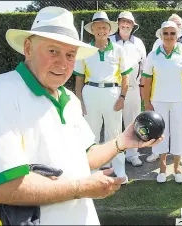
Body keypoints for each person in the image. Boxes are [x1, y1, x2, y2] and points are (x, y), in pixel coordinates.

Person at [0, 6, 162, 225]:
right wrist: (80, 188)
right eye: (53, 51)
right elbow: (0, 188)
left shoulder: (70, 99)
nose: (63, 63)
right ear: (28, 48)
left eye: (70, 55)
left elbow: (84, 156)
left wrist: (123, 141)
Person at [73, 11, 132, 184]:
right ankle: (92, 170)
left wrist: (122, 96)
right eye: (97, 27)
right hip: (90, 92)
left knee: (115, 133)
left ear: (109, 29)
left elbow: (126, 76)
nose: (101, 30)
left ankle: (119, 170)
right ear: (92, 30)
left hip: (113, 93)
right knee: (91, 134)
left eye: (104, 27)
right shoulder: (84, 51)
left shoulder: (119, 50)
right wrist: (79, 101)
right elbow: (79, 79)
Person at [142, 21, 182, 183]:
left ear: (177, 35)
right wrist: (147, 102)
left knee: (180, 133)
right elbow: (147, 81)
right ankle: (163, 168)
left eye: (173, 33)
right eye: (166, 33)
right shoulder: (153, 55)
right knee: (160, 134)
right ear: (161, 35)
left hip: (180, 101)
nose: (169, 36)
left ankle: (177, 168)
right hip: (158, 101)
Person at [109, 11, 147, 167]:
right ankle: (114, 156)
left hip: (133, 89)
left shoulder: (138, 43)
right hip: (113, 89)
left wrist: (142, 88)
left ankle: (133, 154)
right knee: (114, 123)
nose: (125, 25)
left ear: (133, 25)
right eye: (122, 22)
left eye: (128, 23)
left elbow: (144, 68)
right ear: (118, 23)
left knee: (133, 123)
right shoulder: (109, 40)